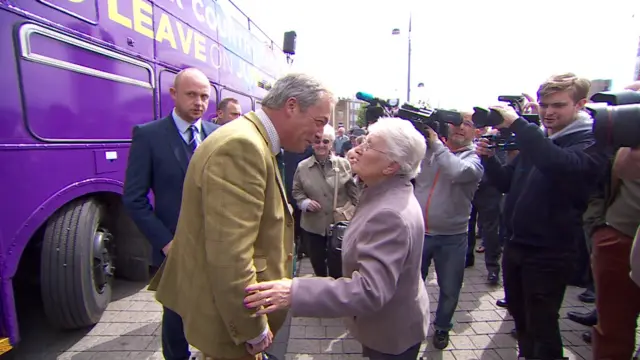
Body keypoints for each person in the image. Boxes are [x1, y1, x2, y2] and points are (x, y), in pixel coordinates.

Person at [148, 73, 334, 360]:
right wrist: (253, 328)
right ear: (292, 106)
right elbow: (230, 255)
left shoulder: (250, 139)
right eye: (319, 121)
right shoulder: (242, 147)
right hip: (232, 324)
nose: (321, 134)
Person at [243, 117, 430, 360]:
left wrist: (294, 291)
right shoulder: (385, 190)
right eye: (362, 141)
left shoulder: (388, 214)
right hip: (389, 322)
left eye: (369, 145)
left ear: (390, 167)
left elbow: (370, 290)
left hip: (391, 334)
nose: (356, 150)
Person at [476, 73, 608, 360]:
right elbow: (507, 183)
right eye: (544, 105)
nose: (548, 113)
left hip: (550, 251)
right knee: (521, 318)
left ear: (580, 104)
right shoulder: (541, 141)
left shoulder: (591, 141)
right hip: (517, 245)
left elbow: (561, 166)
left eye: (558, 105)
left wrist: (518, 124)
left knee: (542, 324)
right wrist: (487, 159)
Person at [123, 68, 219, 360]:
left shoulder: (218, 136)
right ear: (173, 94)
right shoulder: (148, 136)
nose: (199, 102)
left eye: (204, 96)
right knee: (176, 314)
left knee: (216, 308)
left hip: (217, 244)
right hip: (174, 248)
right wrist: (165, 242)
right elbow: (134, 198)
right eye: (191, 95)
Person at [413, 111, 483, 350]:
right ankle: (412, 323)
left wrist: (436, 144)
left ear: (477, 131)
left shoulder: (475, 159)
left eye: (468, 124)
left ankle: (442, 327)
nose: (461, 128)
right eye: (456, 123)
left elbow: (458, 172)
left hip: (453, 237)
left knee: (450, 288)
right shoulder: (428, 150)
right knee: (412, 283)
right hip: (420, 232)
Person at [292, 124, 359, 278]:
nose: (321, 145)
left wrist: (356, 212)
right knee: (318, 267)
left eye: (326, 141)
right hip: (313, 226)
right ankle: (322, 296)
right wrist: (304, 203)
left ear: (332, 143)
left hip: (339, 225)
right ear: (312, 143)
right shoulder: (302, 167)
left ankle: (338, 297)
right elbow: (297, 191)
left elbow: (354, 192)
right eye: (317, 141)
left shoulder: (343, 164)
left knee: (339, 268)